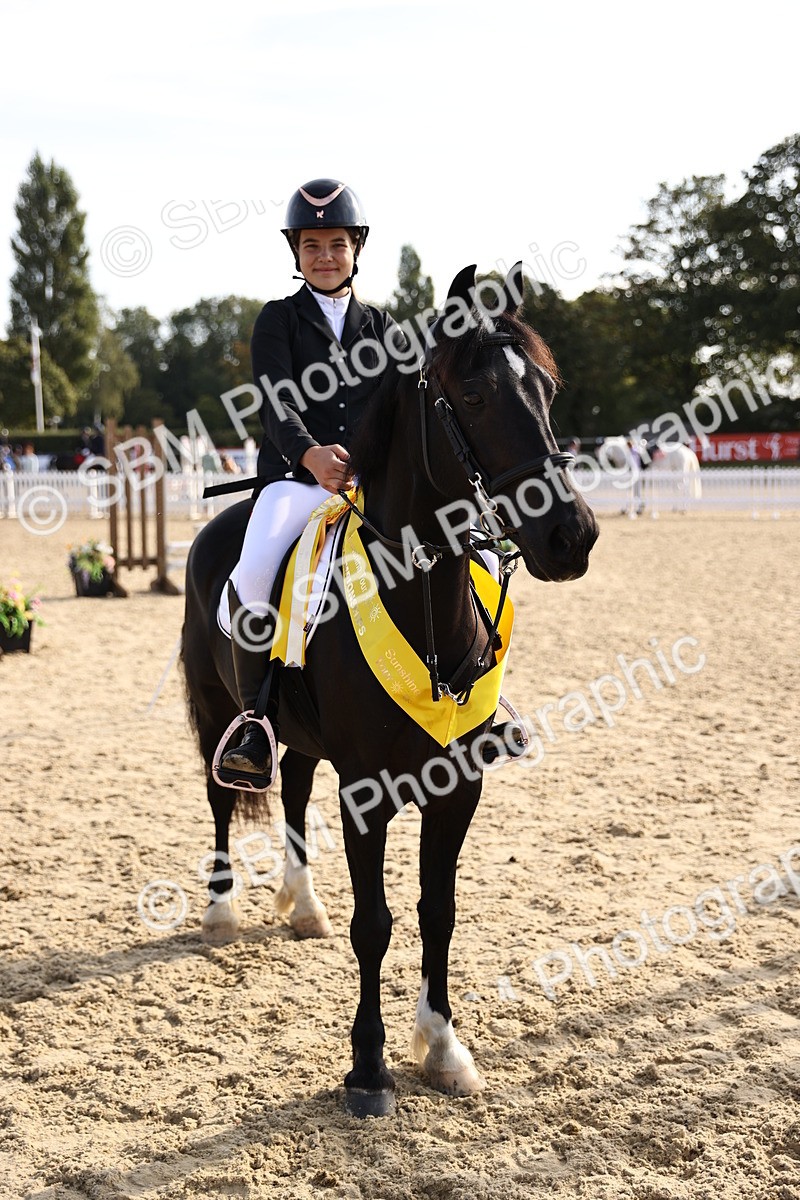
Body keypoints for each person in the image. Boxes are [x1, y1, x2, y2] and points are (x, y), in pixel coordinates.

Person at [219, 179, 398, 784]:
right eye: (313, 243)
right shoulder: (278, 320)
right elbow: (274, 401)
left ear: (356, 249)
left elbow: (397, 403)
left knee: (451, 543)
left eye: (337, 243)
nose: (325, 255)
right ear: (296, 251)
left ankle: (477, 695)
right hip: (297, 482)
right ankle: (255, 719)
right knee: (256, 565)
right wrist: (311, 455)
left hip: (367, 482)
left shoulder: (381, 323)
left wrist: (373, 462)